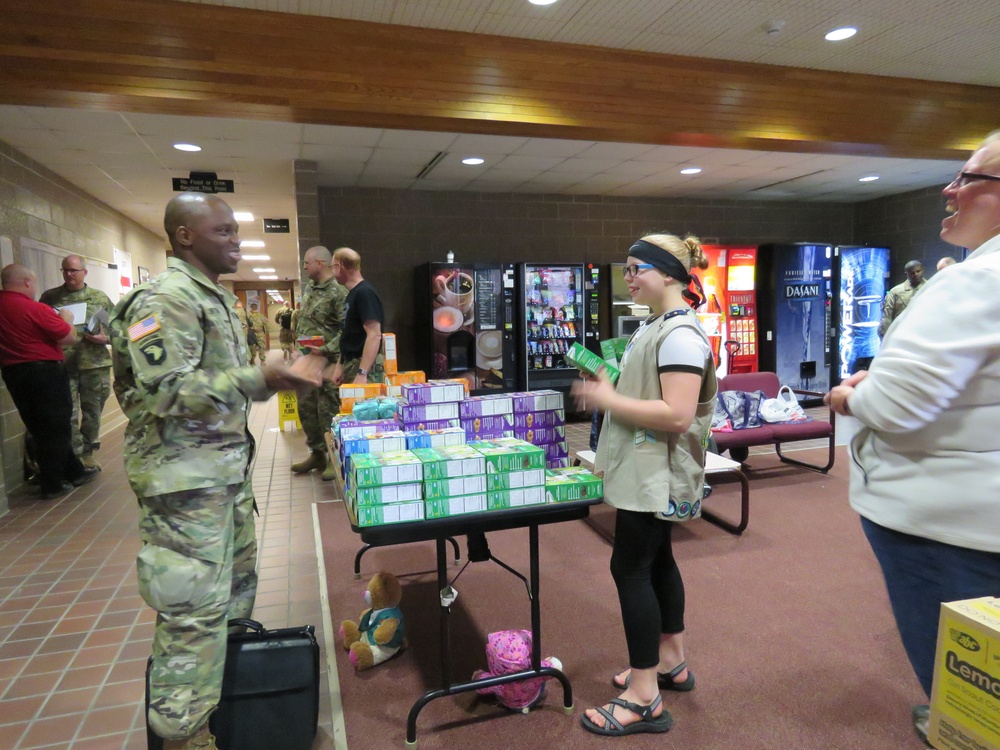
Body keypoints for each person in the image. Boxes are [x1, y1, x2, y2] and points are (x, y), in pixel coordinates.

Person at [109, 192, 324, 750]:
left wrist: (268, 373)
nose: (235, 240)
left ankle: (218, 714)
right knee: (191, 615)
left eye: (235, 230)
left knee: (229, 602)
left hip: (221, 477)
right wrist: (263, 380)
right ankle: (183, 734)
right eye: (224, 231)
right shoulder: (160, 301)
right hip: (184, 486)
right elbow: (163, 392)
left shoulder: (213, 299)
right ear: (185, 236)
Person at [825, 131, 1000, 746]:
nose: (950, 189)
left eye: (970, 177)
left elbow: (897, 406)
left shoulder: (975, 281)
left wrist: (851, 395)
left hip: (942, 524)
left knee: (972, 691)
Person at [570, 234, 718, 736]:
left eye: (639, 269)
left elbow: (676, 414)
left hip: (656, 474)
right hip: (646, 470)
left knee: (630, 567)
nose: (629, 277)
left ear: (672, 275)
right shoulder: (655, 326)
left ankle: (643, 695)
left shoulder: (679, 334)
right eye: (627, 269)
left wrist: (606, 398)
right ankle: (671, 660)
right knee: (657, 562)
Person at [0, 264, 99, 498]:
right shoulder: (35, 308)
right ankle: (53, 482)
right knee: (56, 425)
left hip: (13, 373)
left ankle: (74, 471)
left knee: (39, 425)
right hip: (44, 373)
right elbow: (69, 337)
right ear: (26, 282)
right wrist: (66, 319)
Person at [39, 255, 114, 470]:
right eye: (65, 270)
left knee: (92, 412)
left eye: (73, 270)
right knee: (67, 412)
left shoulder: (99, 298)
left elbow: (118, 328)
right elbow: (40, 326)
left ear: (84, 272)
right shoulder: (50, 297)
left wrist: (105, 339)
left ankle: (88, 451)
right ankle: (74, 454)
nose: (69, 274)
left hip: (95, 364)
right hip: (63, 365)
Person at [291, 246, 347, 480]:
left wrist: (325, 349)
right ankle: (316, 453)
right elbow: (305, 323)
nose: (304, 267)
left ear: (321, 263)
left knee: (328, 411)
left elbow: (347, 331)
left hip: (329, 364)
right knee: (306, 409)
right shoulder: (310, 289)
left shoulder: (338, 292)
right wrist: (298, 348)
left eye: (307, 263)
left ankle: (334, 459)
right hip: (307, 362)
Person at [331, 247, 385, 385]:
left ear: (339, 266)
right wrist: (340, 365)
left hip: (363, 367)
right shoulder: (352, 294)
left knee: (363, 406)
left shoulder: (365, 293)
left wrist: (362, 373)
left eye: (333, 266)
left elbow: (374, 335)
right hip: (352, 364)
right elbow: (349, 335)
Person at [877, 260, 926, 338]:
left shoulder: (931, 288)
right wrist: (886, 338)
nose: (915, 274)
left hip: (925, 334)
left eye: (918, 271)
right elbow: (887, 317)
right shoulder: (896, 292)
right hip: (902, 335)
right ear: (906, 273)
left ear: (922, 270)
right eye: (912, 273)